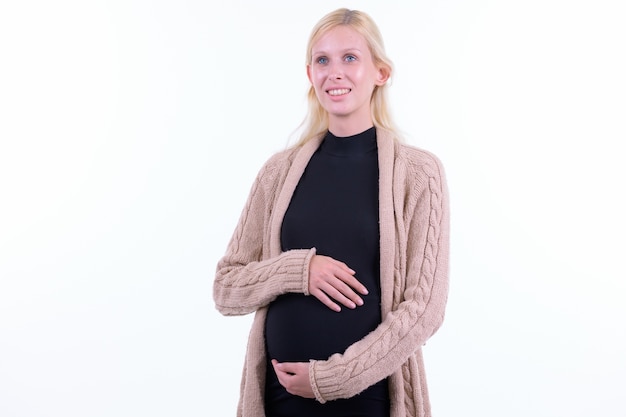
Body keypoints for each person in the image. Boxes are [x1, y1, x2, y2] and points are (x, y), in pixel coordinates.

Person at [213, 8, 450, 417]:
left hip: (370, 401)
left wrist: (332, 379)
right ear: (310, 75)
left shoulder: (419, 173)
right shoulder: (277, 173)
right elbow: (226, 288)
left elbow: (425, 311)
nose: (334, 72)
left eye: (350, 58)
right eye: (322, 60)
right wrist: (299, 271)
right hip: (279, 400)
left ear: (381, 72)